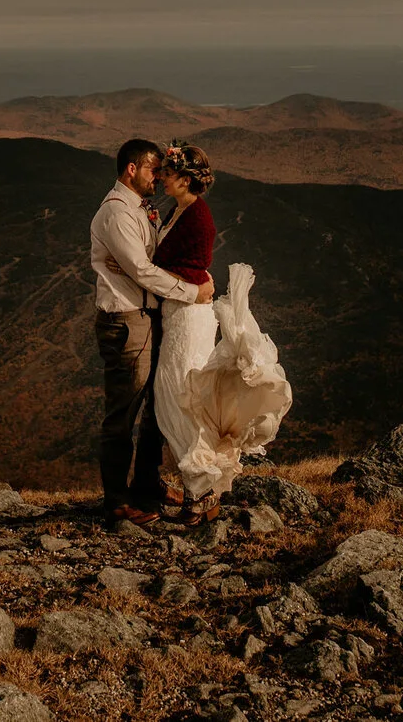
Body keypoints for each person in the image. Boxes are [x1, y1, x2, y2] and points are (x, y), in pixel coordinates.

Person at [149, 143, 293, 522]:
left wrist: (150, 272)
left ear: (184, 180)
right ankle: (198, 491)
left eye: (167, 172)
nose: (161, 177)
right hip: (179, 312)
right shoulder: (180, 210)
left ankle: (201, 495)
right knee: (176, 398)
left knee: (182, 398)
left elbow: (193, 267)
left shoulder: (198, 217)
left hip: (187, 316)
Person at [89, 138, 213, 526]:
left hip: (150, 317)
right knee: (123, 413)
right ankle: (117, 502)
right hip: (127, 321)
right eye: (152, 169)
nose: (158, 177)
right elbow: (140, 270)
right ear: (132, 169)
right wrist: (192, 292)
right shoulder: (116, 215)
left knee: (155, 407)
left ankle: (146, 484)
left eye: (164, 170)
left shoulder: (141, 208)